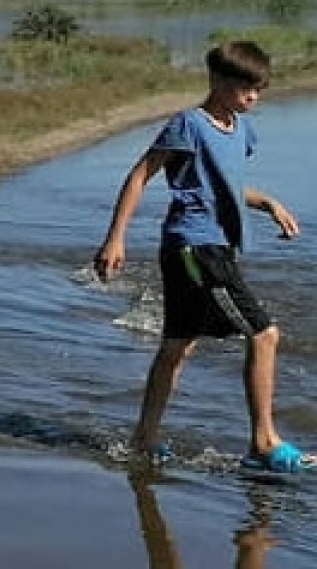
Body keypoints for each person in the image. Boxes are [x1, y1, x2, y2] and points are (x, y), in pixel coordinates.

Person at [93, 40, 309, 474]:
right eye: (244, 88)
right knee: (264, 334)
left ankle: (144, 440)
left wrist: (266, 202)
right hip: (194, 247)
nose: (252, 97)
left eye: (258, 90)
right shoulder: (189, 124)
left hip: (213, 247)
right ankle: (264, 443)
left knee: (178, 346)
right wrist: (115, 239)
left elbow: (222, 185)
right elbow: (140, 176)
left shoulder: (240, 129)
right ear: (217, 81)